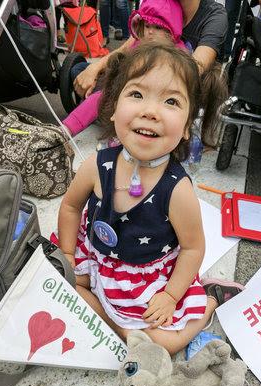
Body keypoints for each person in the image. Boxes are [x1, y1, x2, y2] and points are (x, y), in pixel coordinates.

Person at [53, 42, 243, 355]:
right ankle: (121, 326)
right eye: (137, 94)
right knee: (59, 281)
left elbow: (193, 248)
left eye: (170, 101)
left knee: (165, 345)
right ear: (114, 107)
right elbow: (71, 207)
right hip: (97, 256)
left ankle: (210, 300)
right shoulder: (96, 166)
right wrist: (70, 253)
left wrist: (170, 296)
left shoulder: (177, 190)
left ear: (186, 127)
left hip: (143, 277)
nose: (150, 111)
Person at [63, 0, 188, 137]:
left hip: (139, 99)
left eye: (158, 27)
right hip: (120, 83)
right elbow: (117, 64)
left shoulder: (177, 55)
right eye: (147, 25)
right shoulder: (140, 43)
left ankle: (66, 129)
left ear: (172, 30)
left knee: (101, 97)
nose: (150, 31)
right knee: (79, 68)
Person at [72, 0, 228, 99]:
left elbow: (197, 67)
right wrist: (95, 67)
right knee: (81, 70)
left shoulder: (214, 15)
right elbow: (128, 47)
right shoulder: (162, 4)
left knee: (106, 89)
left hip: (176, 90)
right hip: (140, 76)